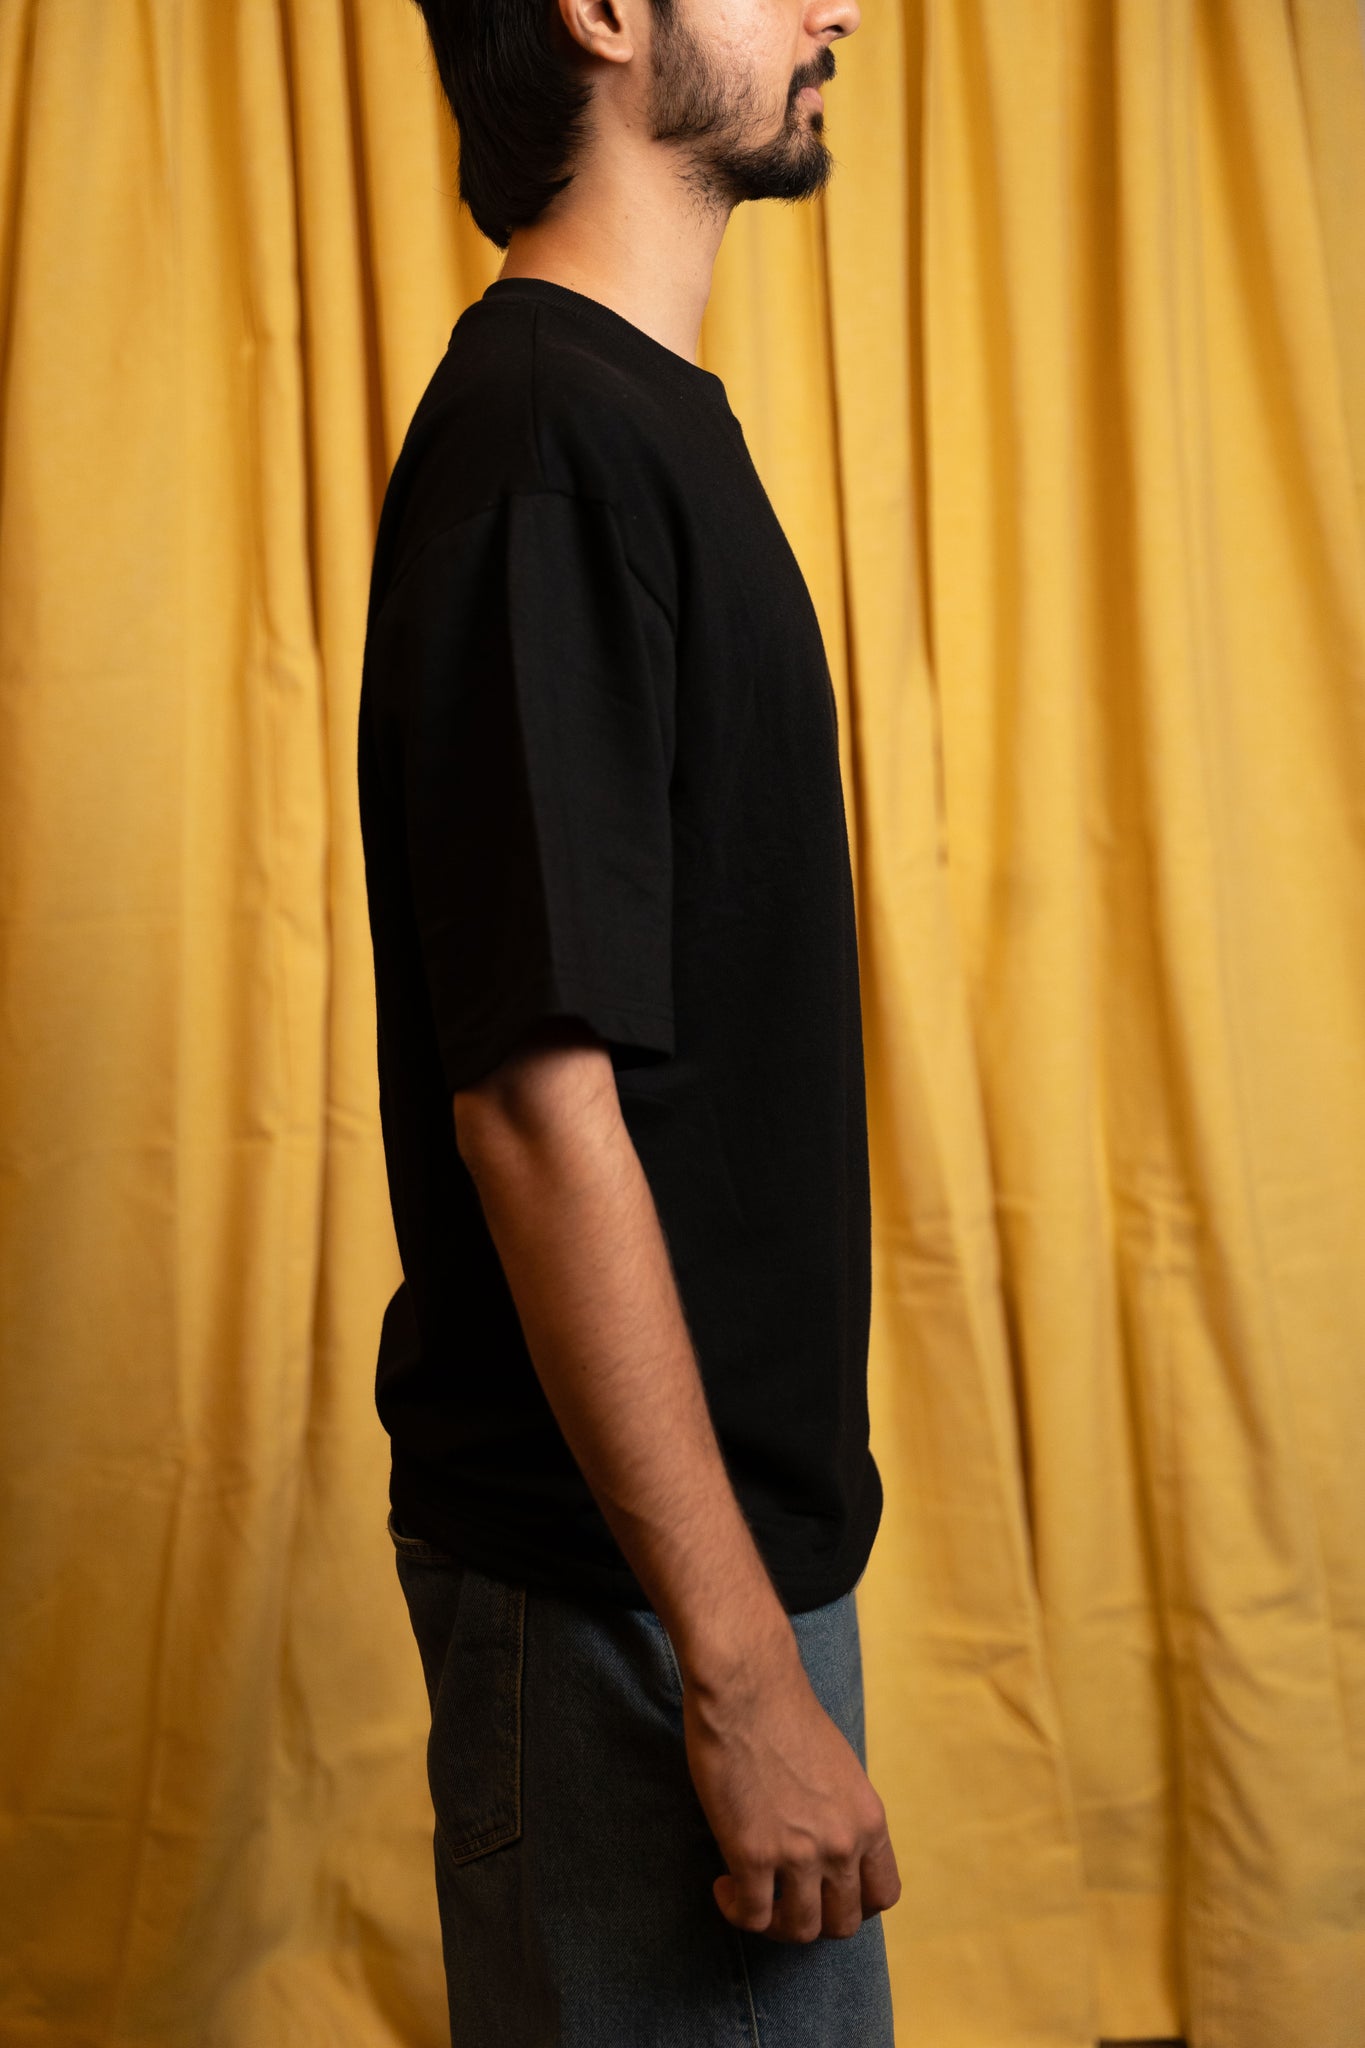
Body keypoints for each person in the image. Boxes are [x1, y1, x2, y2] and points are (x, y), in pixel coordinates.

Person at [355, 0, 900, 2039]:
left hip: (699, 1595)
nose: (834, 7)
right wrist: (736, 1676)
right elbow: (531, 1098)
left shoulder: (628, 423)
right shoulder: (544, 441)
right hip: (636, 1625)